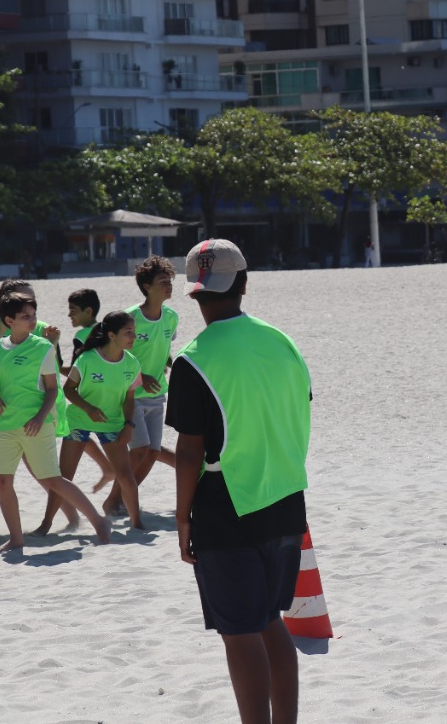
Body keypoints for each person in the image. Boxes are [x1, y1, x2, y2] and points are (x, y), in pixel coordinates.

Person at [168, 238, 311, 724]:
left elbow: (189, 453)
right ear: (244, 283)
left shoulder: (193, 359)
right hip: (287, 498)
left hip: (226, 506)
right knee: (271, 622)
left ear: (193, 293)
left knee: (241, 634)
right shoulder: (281, 341)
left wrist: (182, 517)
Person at [0, 292, 110, 552]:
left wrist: (40, 417)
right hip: (5, 425)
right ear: (8, 320)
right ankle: (17, 538)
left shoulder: (42, 347)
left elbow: (53, 390)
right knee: (2, 481)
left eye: (33, 314)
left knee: (52, 479)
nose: (32, 320)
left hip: (36, 425)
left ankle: (98, 520)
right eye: (25, 316)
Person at [36, 311, 145, 534]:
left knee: (125, 476)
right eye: (128, 332)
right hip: (79, 421)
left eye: (134, 332)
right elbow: (68, 389)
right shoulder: (87, 359)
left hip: (113, 424)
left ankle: (137, 523)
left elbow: (129, 398)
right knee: (64, 477)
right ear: (112, 335)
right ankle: (46, 524)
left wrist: (129, 425)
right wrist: (89, 408)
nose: (134, 336)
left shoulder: (132, 363)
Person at [108, 256, 179, 515]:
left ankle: (124, 497)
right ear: (147, 287)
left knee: (152, 452)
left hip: (159, 394)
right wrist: (141, 376)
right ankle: (112, 501)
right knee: (139, 450)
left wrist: (171, 362)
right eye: (163, 281)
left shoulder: (171, 317)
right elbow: (117, 355)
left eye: (170, 280)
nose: (169, 285)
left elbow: (162, 349)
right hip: (131, 394)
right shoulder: (131, 318)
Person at [0, 279, 65, 510]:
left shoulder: (39, 327)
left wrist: (53, 342)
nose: (29, 307)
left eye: (32, 302)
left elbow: (52, 371)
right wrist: (1, 331)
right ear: (7, 306)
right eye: (22, 299)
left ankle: (70, 516)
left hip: (28, 413)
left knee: (43, 472)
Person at [64, 288, 116, 493]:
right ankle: (108, 469)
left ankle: (107, 469)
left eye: (73, 310)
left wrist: (53, 363)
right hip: (110, 397)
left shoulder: (82, 335)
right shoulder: (107, 330)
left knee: (73, 431)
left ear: (88, 310)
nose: (69, 314)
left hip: (86, 400)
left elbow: (75, 371)